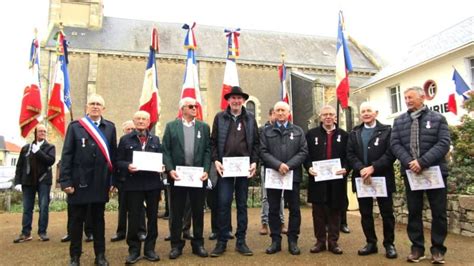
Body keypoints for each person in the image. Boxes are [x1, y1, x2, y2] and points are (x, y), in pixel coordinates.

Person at [391, 86, 451, 264]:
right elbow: (395, 144)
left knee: (438, 213)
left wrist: (422, 162)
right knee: (414, 212)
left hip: (435, 172)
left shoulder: (438, 118)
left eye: (411, 97)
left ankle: (438, 250)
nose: (407, 101)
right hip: (411, 173)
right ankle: (417, 249)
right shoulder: (399, 121)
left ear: (422, 97)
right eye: (405, 98)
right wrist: (411, 162)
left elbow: (443, 143)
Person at [60, 94, 117, 266]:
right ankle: (75, 256)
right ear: (86, 107)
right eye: (92, 104)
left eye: (98, 104)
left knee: (99, 220)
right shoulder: (75, 127)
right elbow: (67, 155)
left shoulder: (110, 128)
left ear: (103, 109)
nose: (95, 106)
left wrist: (113, 180)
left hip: (100, 182)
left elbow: (112, 156)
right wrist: (65, 181)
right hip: (79, 182)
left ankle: (100, 255)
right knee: (77, 221)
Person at [210, 86, 259, 257]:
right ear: (228, 100)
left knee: (242, 205)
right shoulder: (219, 118)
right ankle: (222, 241)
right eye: (233, 98)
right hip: (225, 169)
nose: (236, 101)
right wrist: (216, 160)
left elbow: (256, 144)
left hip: (244, 169)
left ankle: (241, 241)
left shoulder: (251, 119)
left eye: (239, 98)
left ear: (243, 100)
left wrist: (254, 162)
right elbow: (213, 142)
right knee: (223, 204)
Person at [162, 97, 211, 259]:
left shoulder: (204, 127)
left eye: (195, 106)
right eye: (190, 106)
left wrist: (206, 170)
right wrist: (169, 170)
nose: (194, 108)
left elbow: (207, 151)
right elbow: (166, 151)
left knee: (198, 212)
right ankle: (176, 245)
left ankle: (198, 244)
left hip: (198, 178)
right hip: (178, 177)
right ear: (182, 109)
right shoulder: (171, 127)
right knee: (176, 213)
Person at [347, 102, 397, 259]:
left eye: (369, 111)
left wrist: (373, 168)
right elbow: (350, 154)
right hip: (362, 178)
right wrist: (361, 168)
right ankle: (371, 243)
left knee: (387, 213)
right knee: (365, 213)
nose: (366, 113)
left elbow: (391, 153)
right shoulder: (354, 132)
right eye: (363, 111)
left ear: (376, 113)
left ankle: (389, 244)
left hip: (382, 177)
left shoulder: (387, 130)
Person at [260, 101, 308, 255]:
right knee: (273, 209)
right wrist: (278, 165)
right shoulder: (266, 132)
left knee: (294, 209)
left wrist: (288, 165)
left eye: (283, 110)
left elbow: (303, 151)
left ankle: (293, 241)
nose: (280, 113)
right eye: (278, 110)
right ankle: (275, 241)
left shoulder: (298, 131)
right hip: (273, 175)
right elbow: (263, 151)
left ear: (288, 113)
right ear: (274, 113)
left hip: (292, 175)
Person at [116, 111, 163, 264]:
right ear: (134, 121)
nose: (141, 121)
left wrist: (162, 166)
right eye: (138, 119)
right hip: (133, 185)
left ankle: (150, 249)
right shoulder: (124, 140)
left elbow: (161, 159)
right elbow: (118, 161)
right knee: (134, 219)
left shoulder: (155, 139)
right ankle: (134, 250)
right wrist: (127, 166)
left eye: (144, 119)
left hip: (152, 185)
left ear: (149, 122)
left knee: (152, 219)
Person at [305, 105, 349, 255]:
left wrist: (346, 168)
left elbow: (349, 156)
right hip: (317, 179)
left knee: (335, 211)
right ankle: (320, 242)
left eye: (331, 114)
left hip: (337, 179)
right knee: (318, 212)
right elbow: (306, 155)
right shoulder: (311, 134)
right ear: (320, 117)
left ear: (335, 117)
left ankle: (333, 242)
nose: (328, 117)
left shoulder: (344, 135)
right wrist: (308, 167)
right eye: (325, 115)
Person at [13, 124, 56, 243]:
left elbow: (50, 161)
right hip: (28, 182)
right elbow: (20, 166)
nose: (42, 133)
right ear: (35, 133)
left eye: (44, 131)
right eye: (40, 131)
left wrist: (38, 152)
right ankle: (25, 233)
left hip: (44, 181)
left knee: (43, 207)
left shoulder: (50, 147)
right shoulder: (26, 148)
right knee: (27, 208)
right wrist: (17, 182)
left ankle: (42, 232)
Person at [111, 120, 146, 243]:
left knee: (140, 207)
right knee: (122, 207)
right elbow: (117, 161)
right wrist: (114, 182)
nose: (131, 131)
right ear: (124, 131)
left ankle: (141, 231)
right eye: (128, 129)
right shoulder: (123, 141)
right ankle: (121, 232)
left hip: (139, 180)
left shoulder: (143, 141)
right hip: (124, 180)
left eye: (133, 129)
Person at [259, 107, 287, 236]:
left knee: (280, 197)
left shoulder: (285, 129)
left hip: (283, 169)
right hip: (268, 167)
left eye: (282, 112)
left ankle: (282, 222)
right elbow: (262, 150)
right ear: (271, 115)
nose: (278, 116)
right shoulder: (263, 131)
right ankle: (264, 223)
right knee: (266, 197)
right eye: (276, 113)